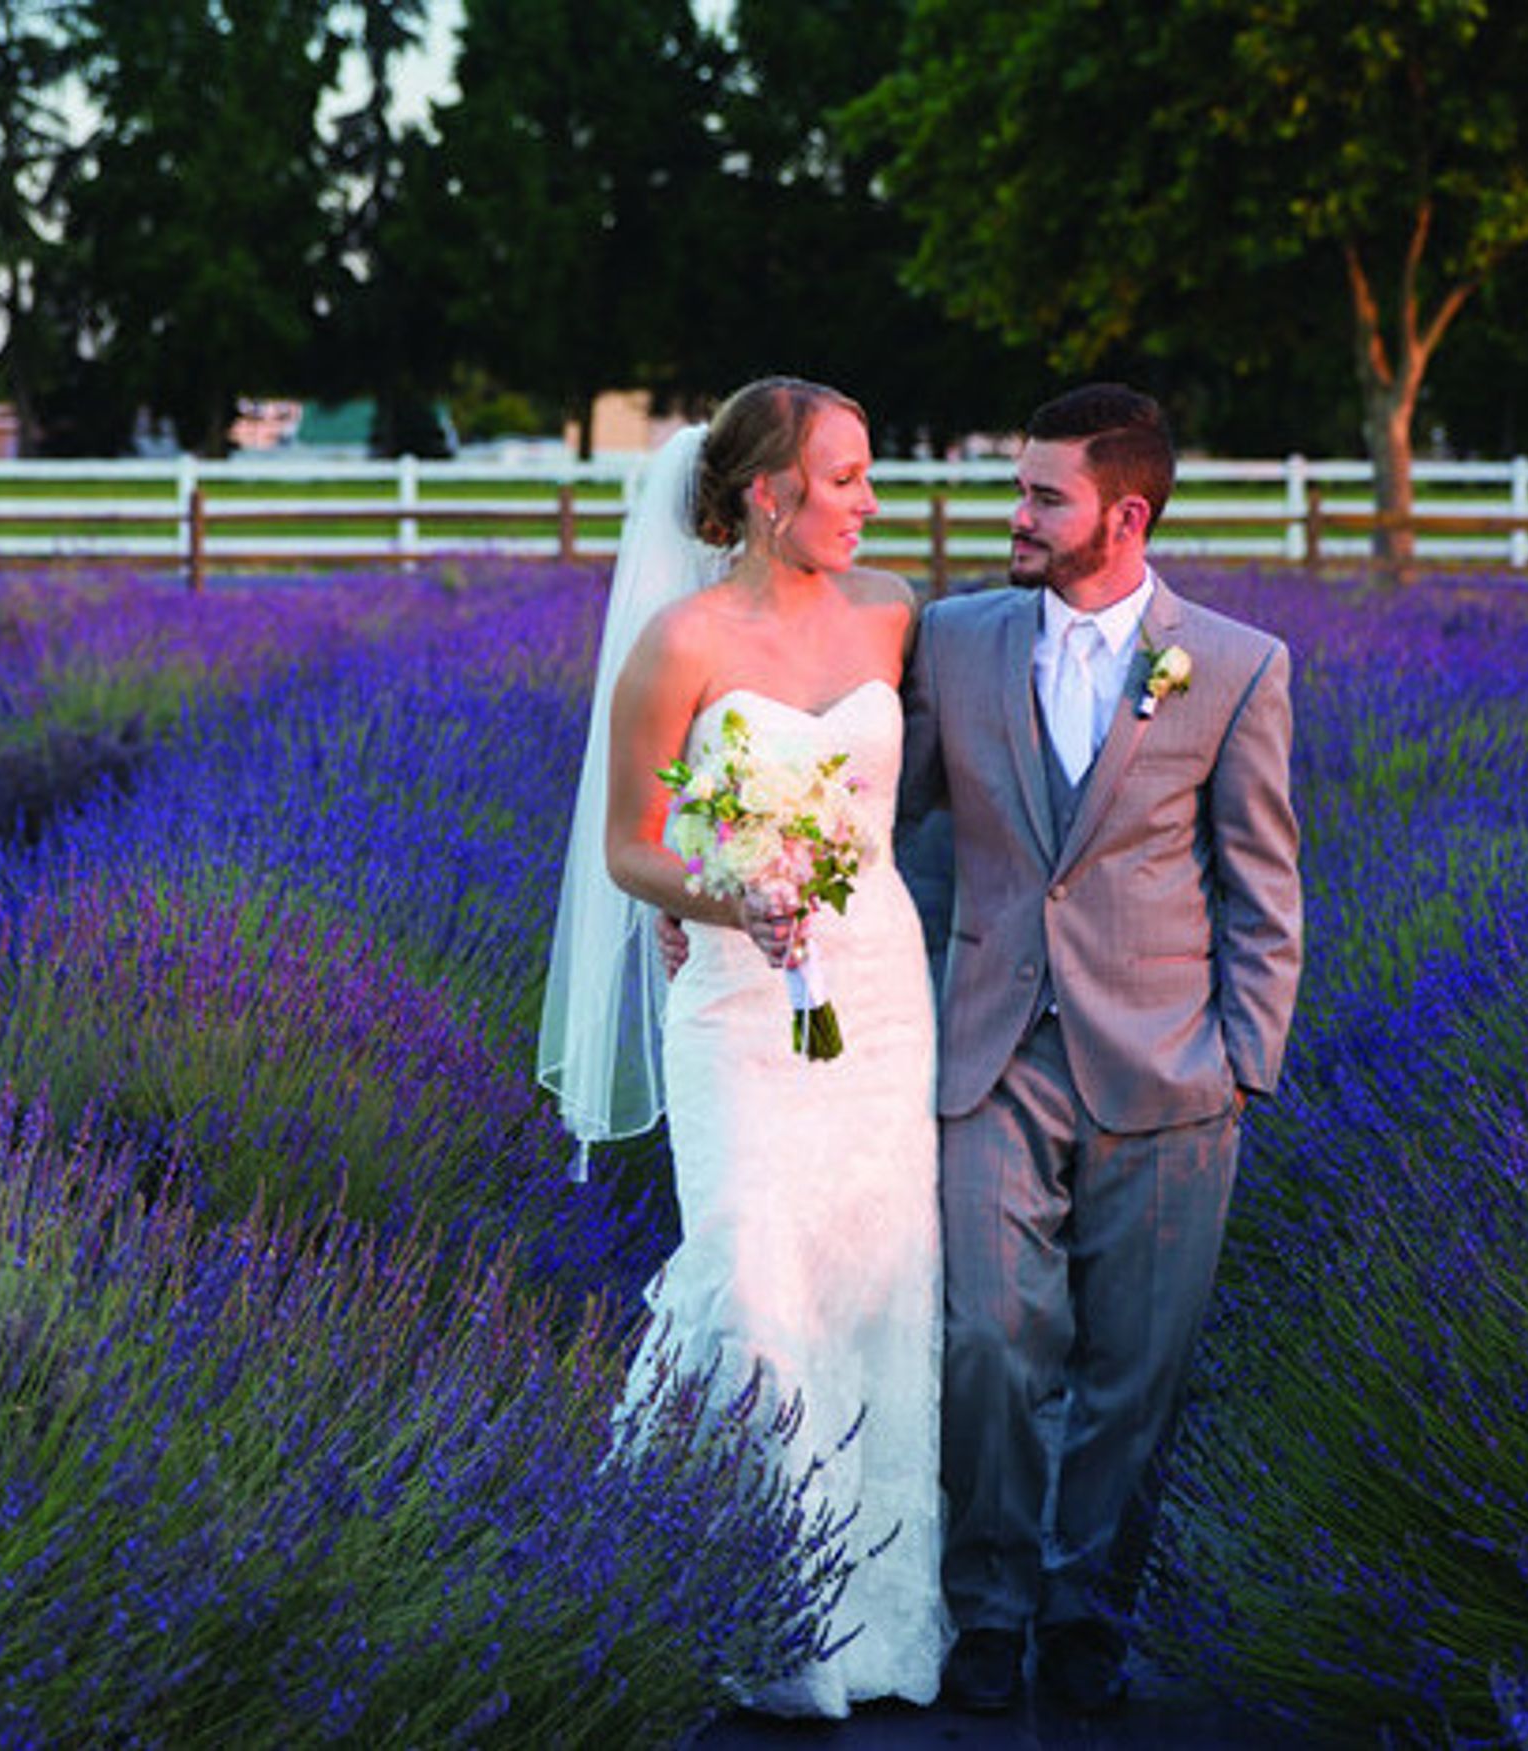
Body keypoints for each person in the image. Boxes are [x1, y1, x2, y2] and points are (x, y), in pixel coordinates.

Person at [534, 377, 951, 1717]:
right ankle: (707, 1592)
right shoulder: (680, 644)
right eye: (844, 479)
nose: (869, 503)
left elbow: (927, 782)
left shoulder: (895, 614)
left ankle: (875, 1624)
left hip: (878, 997)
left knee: (874, 1291)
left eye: (868, 476)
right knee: (756, 1285)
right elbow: (627, 848)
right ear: (769, 495)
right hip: (732, 999)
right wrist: (723, 897)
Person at [896, 383, 1303, 1716]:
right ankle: (987, 1607)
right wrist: (743, 890)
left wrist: (1243, 1062)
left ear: (1124, 517)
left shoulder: (1238, 664)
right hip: (989, 1053)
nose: (1014, 516)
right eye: (1017, 490)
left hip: (1173, 1072)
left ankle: (1084, 1609)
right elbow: (873, 820)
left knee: (1134, 1370)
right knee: (990, 1344)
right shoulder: (952, 643)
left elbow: (1263, 884)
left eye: (1040, 496)